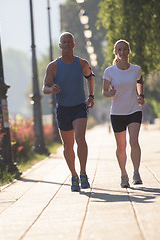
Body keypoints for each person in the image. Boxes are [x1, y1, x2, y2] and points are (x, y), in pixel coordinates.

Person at [42, 32, 95, 192]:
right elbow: (45, 88)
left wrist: (91, 96)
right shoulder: (53, 66)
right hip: (63, 109)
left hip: (79, 106)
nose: (66, 44)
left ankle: (83, 172)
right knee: (68, 145)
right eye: (63, 42)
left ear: (73, 45)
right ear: (60, 46)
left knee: (80, 138)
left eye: (69, 42)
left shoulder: (81, 63)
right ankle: (73, 175)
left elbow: (90, 77)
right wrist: (52, 89)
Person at [102, 39, 145, 188]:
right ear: (115, 52)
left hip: (134, 109)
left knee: (134, 141)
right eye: (119, 49)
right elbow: (104, 92)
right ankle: (123, 174)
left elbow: (140, 81)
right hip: (117, 113)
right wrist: (110, 93)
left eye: (124, 49)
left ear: (129, 51)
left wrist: (141, 96)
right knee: (121, 146)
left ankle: (136, 173)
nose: (122, 52)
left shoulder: (136, 69)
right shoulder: (109, 71)